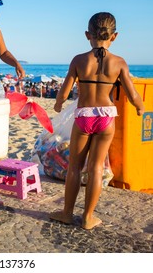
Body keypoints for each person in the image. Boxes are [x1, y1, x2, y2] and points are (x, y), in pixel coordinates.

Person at [49, 12, 145, 230]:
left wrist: (57, 104)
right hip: (106, 118)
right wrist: (140, 107)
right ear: (115, 36)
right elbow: (132, 94)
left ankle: (67, 213)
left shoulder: (78, 60)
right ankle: (88, 217)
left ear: (87, 35)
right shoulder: (119, 62)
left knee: (74, 167)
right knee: (96, 168)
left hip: (84, 116)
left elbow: (64, 91)